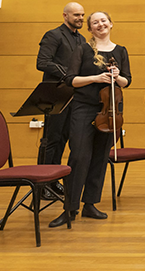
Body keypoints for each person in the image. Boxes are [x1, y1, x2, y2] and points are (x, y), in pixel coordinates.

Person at [50, 11, 131, 227]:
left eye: (103, 20)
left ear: (111, 23)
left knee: (99, 157)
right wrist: (96, 78)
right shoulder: (83, 49)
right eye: (95, 22)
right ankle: (70, 207)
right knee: (79, 156)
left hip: (110, 111)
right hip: (83, 109)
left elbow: (127, 81)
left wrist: (117, 76)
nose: (100, 24)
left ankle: (90, 204)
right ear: (90, 29)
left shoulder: (121, 51)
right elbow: (70, 80)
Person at [35, 2, 87, 199]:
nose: (80, 18)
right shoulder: (54, 35)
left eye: (82, 15)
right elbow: (43, 62)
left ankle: (53, 180)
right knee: (51, 139)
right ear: (65, 15)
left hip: (72, 95)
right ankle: (41, 184)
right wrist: (69, 75)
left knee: (64, 138)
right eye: (76, 15)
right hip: (55, 95)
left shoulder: (82, 39)